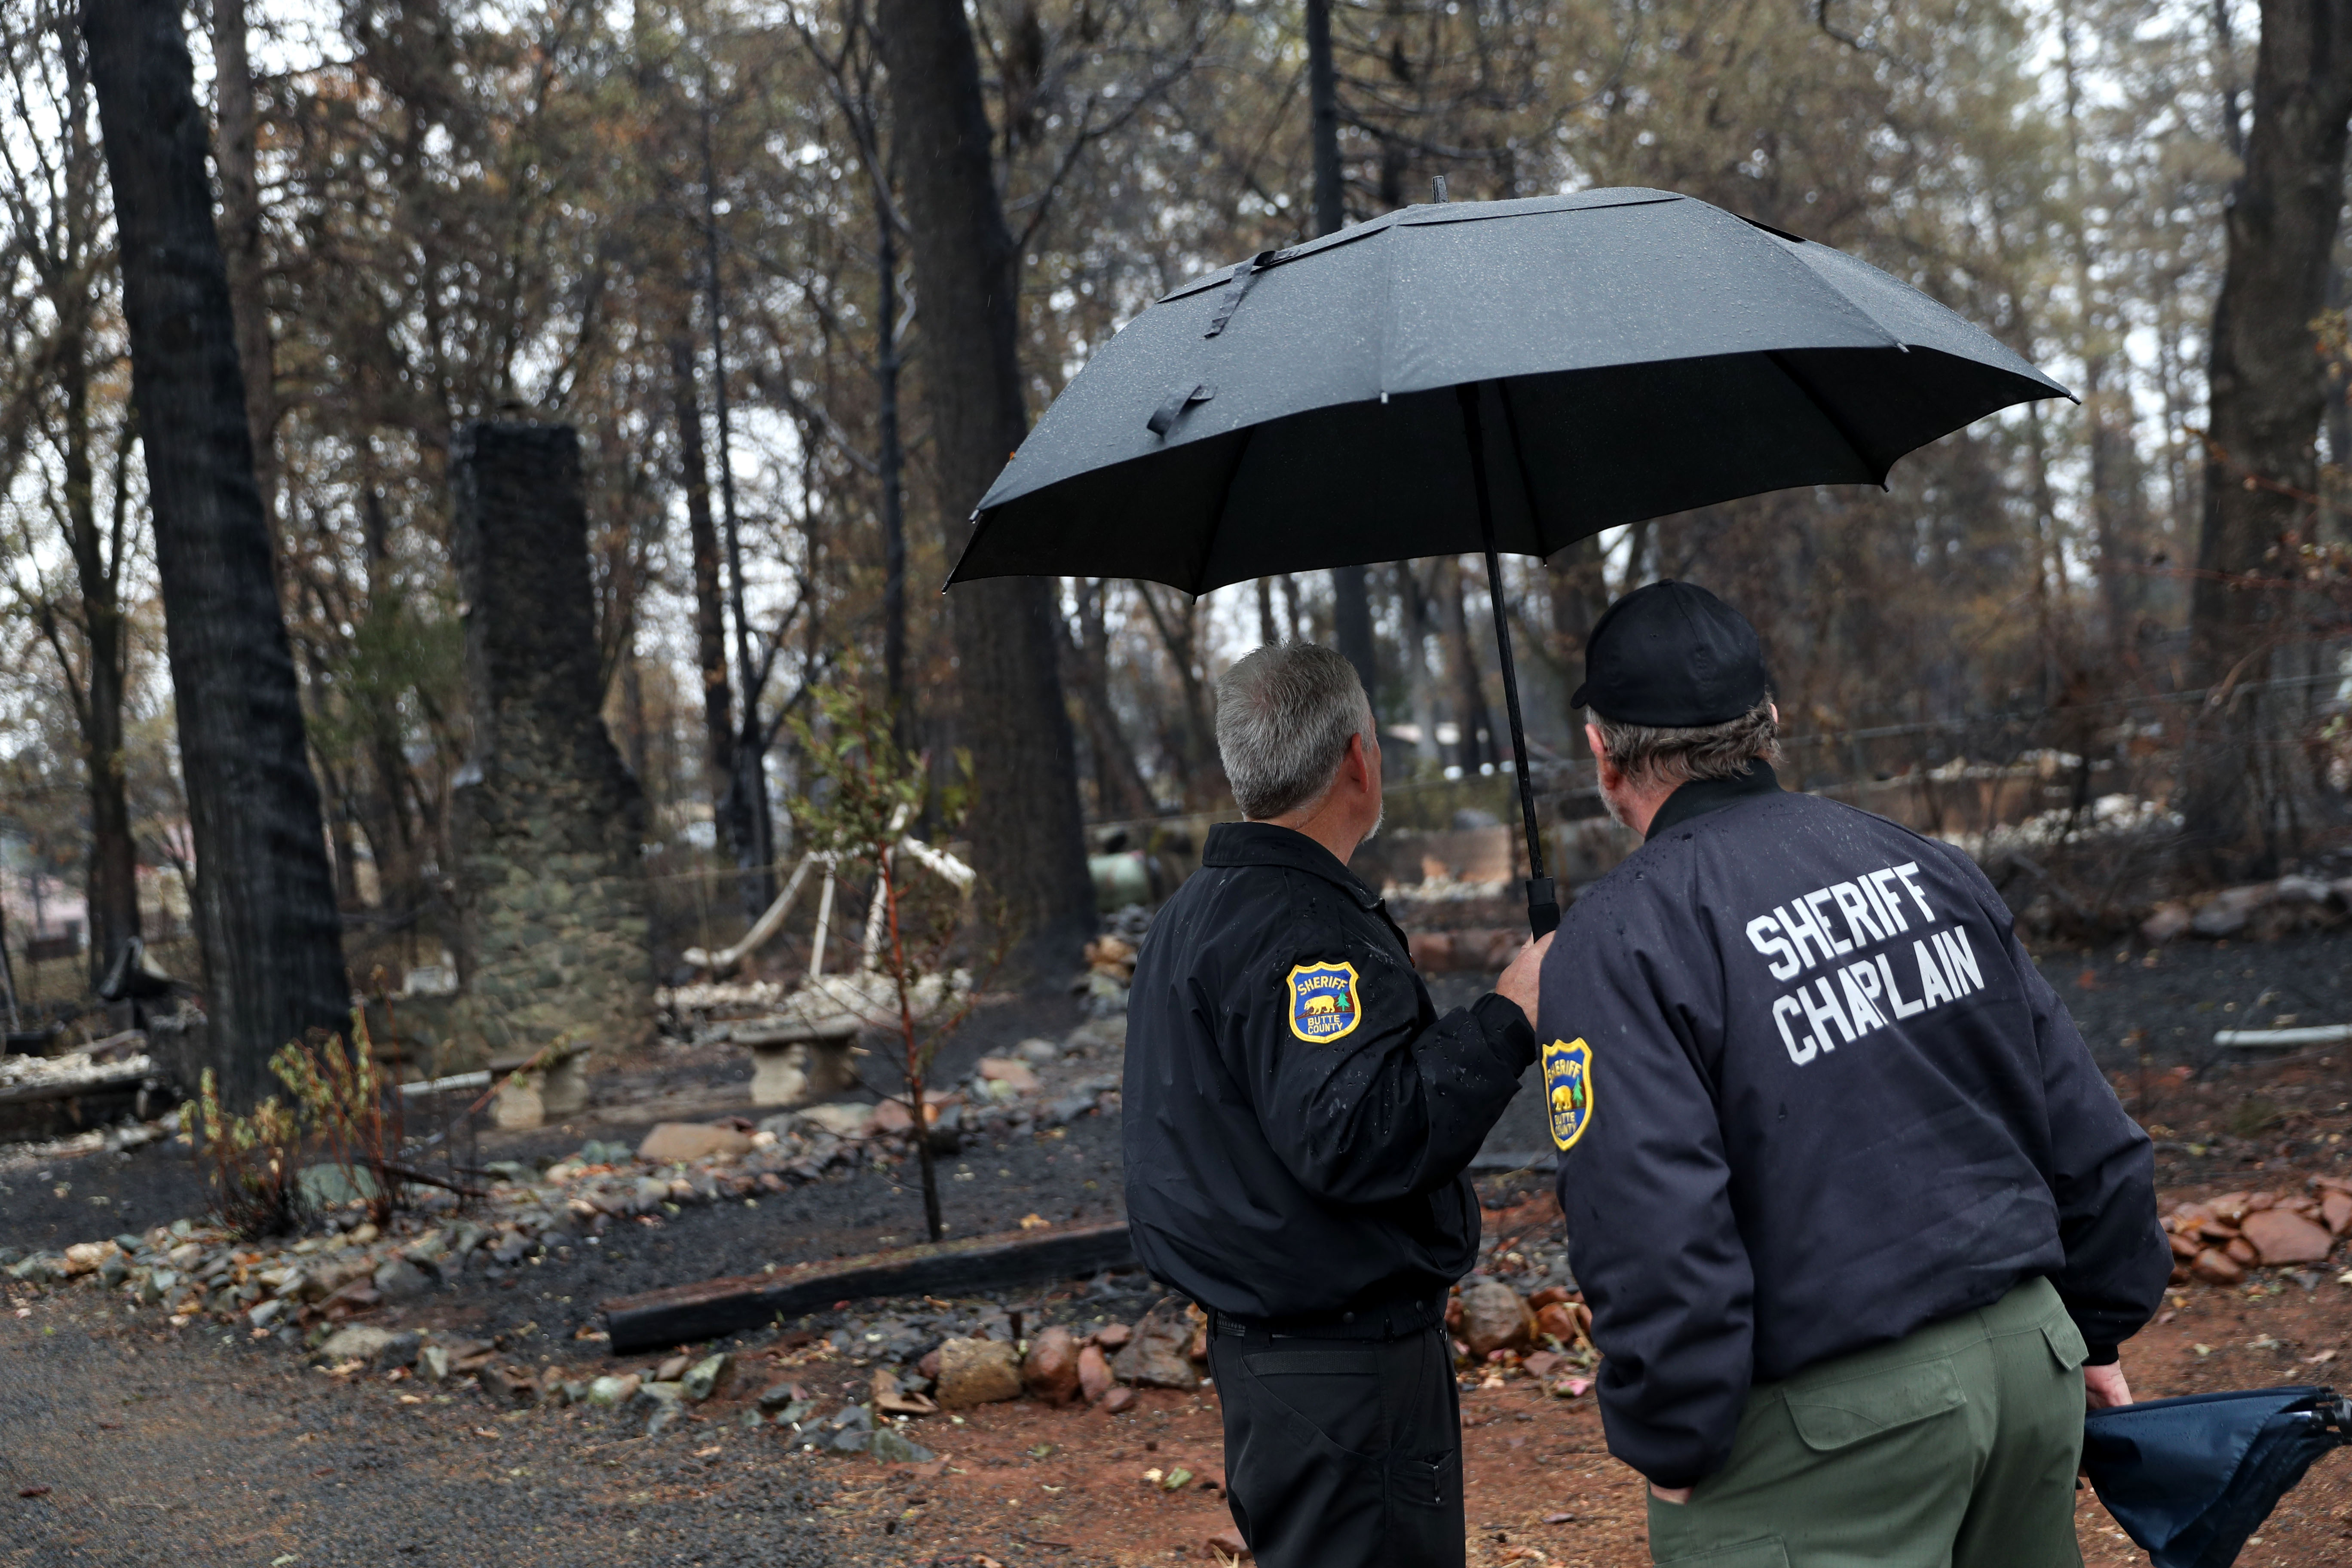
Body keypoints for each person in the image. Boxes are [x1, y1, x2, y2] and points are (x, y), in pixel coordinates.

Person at [1536, 580, 2171, 1567]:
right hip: (2029, 1369)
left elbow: (1650, 1216)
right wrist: (2089, 1329)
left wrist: (1673, 1428)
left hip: (1827, 1432)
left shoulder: (1623, 936)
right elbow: (2088, 1135)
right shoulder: (1926, 866)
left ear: (1602, 753)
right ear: (1771, 724)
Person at [1124, 642, 1553, 1568]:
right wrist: (1509, 1018)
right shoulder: (1307, 930)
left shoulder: (1193, 914)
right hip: (1343, 1376)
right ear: (1361, 757)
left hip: (1269, 1363)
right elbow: (1359, 1136)